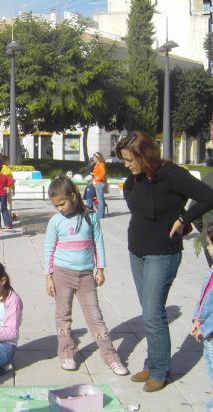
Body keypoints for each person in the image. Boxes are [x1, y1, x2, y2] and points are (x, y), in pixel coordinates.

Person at [116, 131, 213, 392]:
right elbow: (132, 197)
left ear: (144, 155)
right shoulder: (135, 177)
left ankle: (159, 370)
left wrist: (183, 219)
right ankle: (153, 362)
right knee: (149, 313)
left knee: (153, 313)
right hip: (136, 250)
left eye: (129, 160)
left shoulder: (172, 175)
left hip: (162, 253)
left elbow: (208, 196)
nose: (126, 165)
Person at [44, 176, 129, 376]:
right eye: (56, 205)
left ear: (73, 197)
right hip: (61, 274)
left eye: (62, 203)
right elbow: (49, 249)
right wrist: (48, 276)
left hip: (86, 276)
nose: (60, 208)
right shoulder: (55, 221)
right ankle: (66, 353)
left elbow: (98, 243)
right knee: (63, 315)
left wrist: (100, 269)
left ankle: (110, 356)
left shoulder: (90, 217)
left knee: (95, 317)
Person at [190, 223, 213, 412]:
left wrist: (204, 328)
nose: (208, 248)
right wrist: (196, 319)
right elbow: (204, 298)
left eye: (210, 244)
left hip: (211, 331)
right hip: (206, 330)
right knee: (209, 363)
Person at [90, 152, 107, 218]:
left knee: (100, 200)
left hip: (99, 183)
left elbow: (102, 174)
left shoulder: (101, 164)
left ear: (98, 158)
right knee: (101, 199)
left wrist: (96, 178)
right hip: (98, 183)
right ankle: (101, 214)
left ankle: (100, 215)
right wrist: (93, 174)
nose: (93, 159)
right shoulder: (98, 164)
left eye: (94, 157)